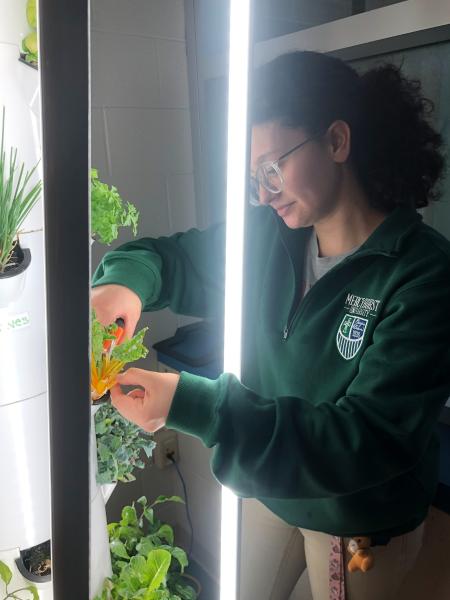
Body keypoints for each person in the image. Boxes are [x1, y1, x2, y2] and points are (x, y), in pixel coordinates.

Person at [91, 51, 450, 600]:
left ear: (336, 142)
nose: (261, 194)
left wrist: (197, 405)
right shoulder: (267, 235)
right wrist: (123, 284)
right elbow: (173, 259)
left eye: (272, 171)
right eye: (252, 177)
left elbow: (365, 441)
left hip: (358, 517)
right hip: (270, 487)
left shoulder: (422, 274)